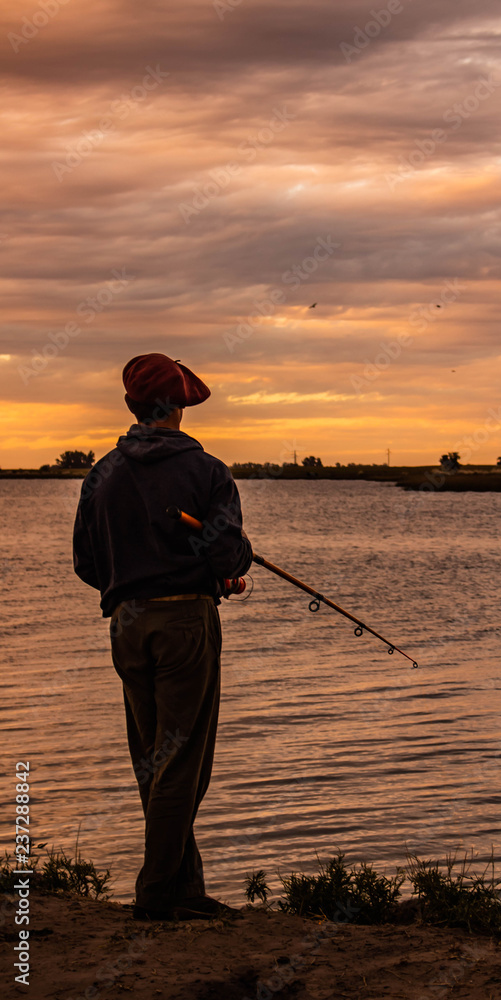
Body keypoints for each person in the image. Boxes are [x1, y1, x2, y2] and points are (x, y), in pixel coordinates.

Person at [72, 353, 253, 920]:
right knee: (182, 763)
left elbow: (85, 563)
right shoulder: (207, 473)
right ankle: (156, 894)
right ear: (178, 408)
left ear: (132, 407)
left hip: (126, 626)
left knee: (155, 758)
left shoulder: (101, 474)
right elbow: (227, 552)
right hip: (185, 624)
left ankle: (184, 890)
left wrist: (130, 582)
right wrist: (230, 565)